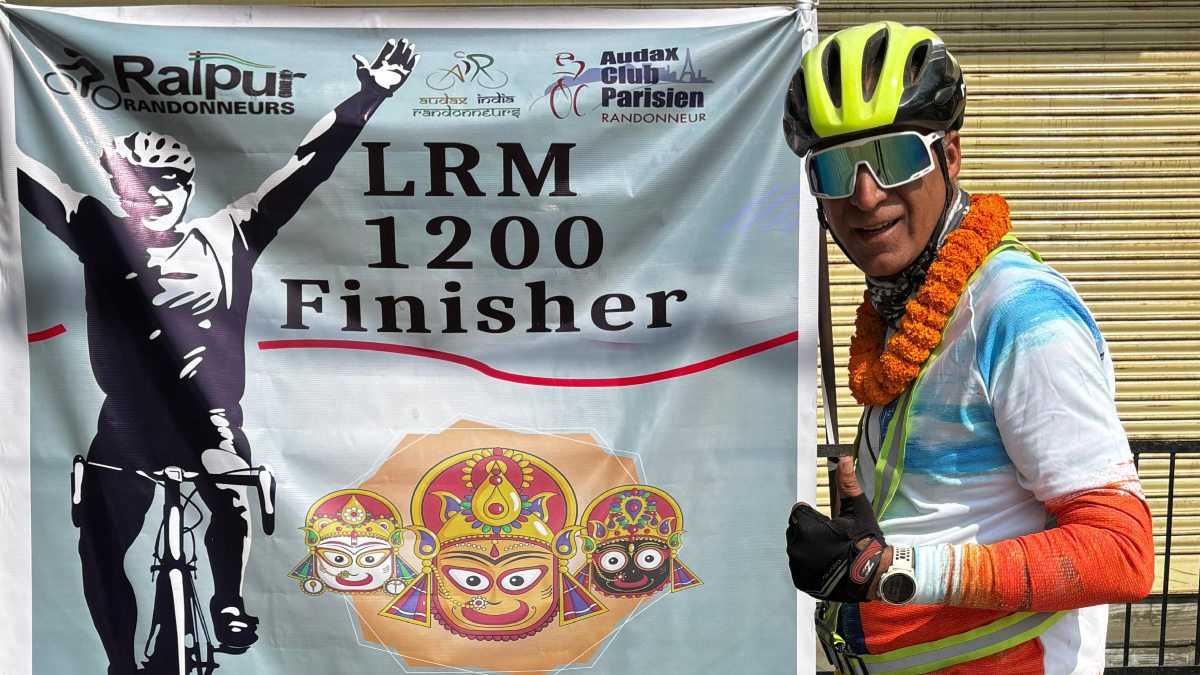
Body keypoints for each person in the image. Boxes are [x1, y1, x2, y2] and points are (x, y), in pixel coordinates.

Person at [17, 38, 419, 675]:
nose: (152, 195)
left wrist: (369, 95)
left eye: (167, 183)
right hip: (125, 423)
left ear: (187, 187)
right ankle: (122, 662)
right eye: (136, 184)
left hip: (209, 418)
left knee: (228, 489)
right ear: (117, 187)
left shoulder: (229, 234)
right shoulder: (97, 228)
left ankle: (227, 603)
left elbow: (305, 167)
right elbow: (26, 174)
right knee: (99, 542)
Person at [782, 21, 1154, 673]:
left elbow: (1122, 553)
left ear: (949, 156)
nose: (865, 195)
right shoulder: (902, 308)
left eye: (895, 157)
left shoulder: (1017, 311)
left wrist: (892, 569)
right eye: (837, 168)